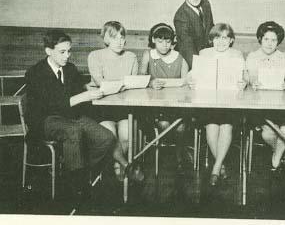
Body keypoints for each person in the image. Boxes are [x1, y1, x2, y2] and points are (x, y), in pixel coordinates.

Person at [25, 30, 141, 201]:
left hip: (70, 117)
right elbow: (52, 106)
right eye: (62, 52)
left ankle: (78, 169)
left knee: (106, 138)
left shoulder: (70, 69)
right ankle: (77, 187)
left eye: (69, 51)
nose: (67, 56)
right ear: (48, 51)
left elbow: (78, 90)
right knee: (74, 132)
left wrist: (91, 89)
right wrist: (84, 96)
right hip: (46, 120)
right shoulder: (36, 73)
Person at [191, 23, 246, 186]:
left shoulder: (237, 54)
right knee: (211, 126)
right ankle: (220, 167)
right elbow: (192, 74)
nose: (220, 42)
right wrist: (191, 80)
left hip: (230, 101)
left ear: (231, 40)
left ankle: (216, 168)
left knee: (227, 126)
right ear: (211, 40)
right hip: (208, 100)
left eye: (224, 38)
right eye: (216, 38)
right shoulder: (204, 53)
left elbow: (245, 77)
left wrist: (243, 82)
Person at [87, 21, 139, 179]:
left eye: (122, 37)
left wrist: (115, 86)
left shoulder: (131, 57)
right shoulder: (95, 56)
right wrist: (121, 85)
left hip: (124, 107)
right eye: (114, 37)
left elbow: (134, 84)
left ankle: (118, 165)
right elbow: (100, 83)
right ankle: (123, 166)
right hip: (103, 107)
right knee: (109, 137)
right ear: (106, 39)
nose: (119, 41)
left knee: (127, 137)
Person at [246, 21, 285, 171]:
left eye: (273, 40)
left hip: (282, 105)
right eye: (266, 39)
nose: (269, 43)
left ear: (278, 42)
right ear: (260, 39)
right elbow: (249, 76)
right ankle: (280, 153)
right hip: (261, 106)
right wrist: (253, 82)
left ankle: (276, 158)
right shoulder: (252, 56)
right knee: (268, 133)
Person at [139, 23, 189, 171]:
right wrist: (150, 82)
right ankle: (164, 156)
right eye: (160, 41)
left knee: (180, 127)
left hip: (177, 104)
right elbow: (141, 75)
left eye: (168, 41)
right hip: (156, 105)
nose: (164, 45)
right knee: (164, 124)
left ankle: (179, 156)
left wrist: (185, 84)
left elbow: (186, 81)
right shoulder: (148, 55)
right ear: (153, 40)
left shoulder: (179, 57)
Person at [174, 0, 214, 69]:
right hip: (190, 62)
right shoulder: (180, 17)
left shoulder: (206, 4)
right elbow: (188, 49)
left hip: (206, 56)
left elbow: (211, 29)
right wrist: (200, 69)